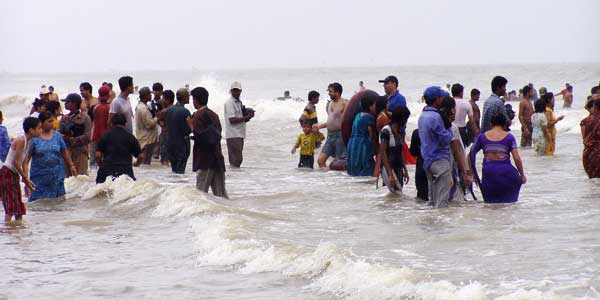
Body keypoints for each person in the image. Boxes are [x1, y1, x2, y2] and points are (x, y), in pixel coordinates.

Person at [469, 113, 526, 203]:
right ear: (504, 125)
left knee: (491, 205)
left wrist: (473, 174)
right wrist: (522, 175)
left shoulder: (482, 137)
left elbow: (471, 154)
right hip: (507, 173)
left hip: (489, 174)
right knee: (508, 205)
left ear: (491, 124)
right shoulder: (509, 137)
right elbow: (517, 158)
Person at [26, 112, 76, 202]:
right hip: (39, 178)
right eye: (49, 122)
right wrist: (25, 178)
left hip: (56, 177)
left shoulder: (57, 136)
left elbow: (64, 152)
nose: (52, 124)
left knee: (58, 203)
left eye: (52, 121)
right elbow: (26, 160)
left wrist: (71, 165)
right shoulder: (34, 138)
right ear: (41, 123)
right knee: (39, 204)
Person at [418, 86, 453, 208]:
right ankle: (442, 225)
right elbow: (445, 140)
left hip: (427, 160)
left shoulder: (422, 116)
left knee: (433, 199)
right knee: (442, 200)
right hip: (440, 160)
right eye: (442, 97)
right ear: (437, 99)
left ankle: (432, 224)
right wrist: (449, 128)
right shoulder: (436, 117)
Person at [190, 87, 229, 198]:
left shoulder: (198, 115)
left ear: (196, 100)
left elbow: (200, 136)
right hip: (217, 158)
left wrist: (190, 125)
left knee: (201, 194)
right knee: (221, 194)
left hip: (204, 160)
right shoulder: (214, 115)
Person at [1, 117, 41, 222]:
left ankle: (18, 227)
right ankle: (8, 227)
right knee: (10, 202)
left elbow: (24, 162)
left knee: (18, 203)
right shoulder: (21, 140)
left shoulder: (29, 142)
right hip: (7, 172)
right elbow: (15, 162)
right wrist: (25, 178)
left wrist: (26, 179)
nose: (41, 130)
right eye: (39, 128)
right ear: (31, 130)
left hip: (14, 173)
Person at [95, 113, 141, 183]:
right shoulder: (131, 137)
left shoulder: (105, 136)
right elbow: (141, 156)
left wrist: (100, 164)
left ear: (112, 123)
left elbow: (98, 155)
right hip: (125, 172)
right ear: (125, 124)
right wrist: (137, 163)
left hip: (107, 171)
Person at [59, 93, 92, 177]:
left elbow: (88, 136)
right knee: (67, 178)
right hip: (67, 153)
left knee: (81, 178)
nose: (65, 104)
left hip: (81, 152)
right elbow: (59, 134)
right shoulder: (64, 118)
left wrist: (71, 139)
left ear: (74, 104)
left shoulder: (85, 118)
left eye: (67, 102)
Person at [379, 106, 411, 193]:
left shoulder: (400, 132)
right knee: (394, 194)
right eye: (406, 119)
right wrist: (390, 174)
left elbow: (400, 152)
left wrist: (405, 170)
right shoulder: (386, 131)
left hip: (398, 168)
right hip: (388, 168)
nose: (406, 122)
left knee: (397, 196)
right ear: (401, 119)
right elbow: (383, 153)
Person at [224, 81, 254, 168]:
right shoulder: (229, 103)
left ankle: (234, 177)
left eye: (238, 90)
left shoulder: (239, 102)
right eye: (234, 90)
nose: (236, 92)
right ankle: (234, 177)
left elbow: (240, 118)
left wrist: (249, 116)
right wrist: (246, 117)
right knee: (237, 159)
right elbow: (232, 120)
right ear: (231, 91)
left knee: (237, 159)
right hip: (233, 134)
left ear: (241, 91)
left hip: (239, 133)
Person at [317, 83, 348, 168]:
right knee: (320, 161)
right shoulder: (330, 103)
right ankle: (329, 178)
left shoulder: (344, 103)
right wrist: (319, 127)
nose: (329, 93)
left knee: (339, 163)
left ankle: (337, 179)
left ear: (337, 92)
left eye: (331, 91)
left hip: (340, 136)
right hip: (330, 136)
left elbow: (348, 121)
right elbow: (331, 121)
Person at [347, 96, 377, 176]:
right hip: (362, 143)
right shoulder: (369, 117)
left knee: (354, 166)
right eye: (374, 105)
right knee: (366, 165)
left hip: (352, 143)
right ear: (370, 106)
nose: (376, 107)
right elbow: (370, 134)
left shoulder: (358, 115)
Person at [166, 88, 192, 174]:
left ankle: (173, 185)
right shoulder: (185, 112)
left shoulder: (169, 110)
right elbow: (189, 129)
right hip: (182, 144)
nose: (189, 98)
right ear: (184, 97)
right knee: (180, 171)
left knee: (174, 170)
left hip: (170, 143)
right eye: (188, 96)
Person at [134, 87, 158, 166]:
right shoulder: (143, 109)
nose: (151, 96)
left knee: (144, 163)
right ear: (146, 96)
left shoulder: (141, 106)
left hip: (143, 138)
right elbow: (149, 124)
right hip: (147, 140)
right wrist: (157, 117)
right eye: (149, 94)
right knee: (145, 163)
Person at [91, 85, 111, 166]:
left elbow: (94, 122)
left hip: (96, 136)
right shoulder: (110, 108)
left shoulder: (95, 107)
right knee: (106, 161)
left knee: (94, 162)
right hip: (107, 137)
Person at [580, 96, 600, 178]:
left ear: (595, 107)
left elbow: (584, 138)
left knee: (593, 180)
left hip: (588, 154)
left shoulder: (585, 121)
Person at [157, 90, 174, 166]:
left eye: (163, 98)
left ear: (167, 100)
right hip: (173, 135)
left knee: (164, 159)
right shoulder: (175, 109)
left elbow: (158, 121)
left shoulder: (164, 111)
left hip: (165, 135)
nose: (161, 100)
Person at [409, 128, 428, 201]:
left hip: (420, 165)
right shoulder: (437, 131)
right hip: (434, 166)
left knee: (421, 196)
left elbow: (412, 152)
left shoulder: (416, 132)